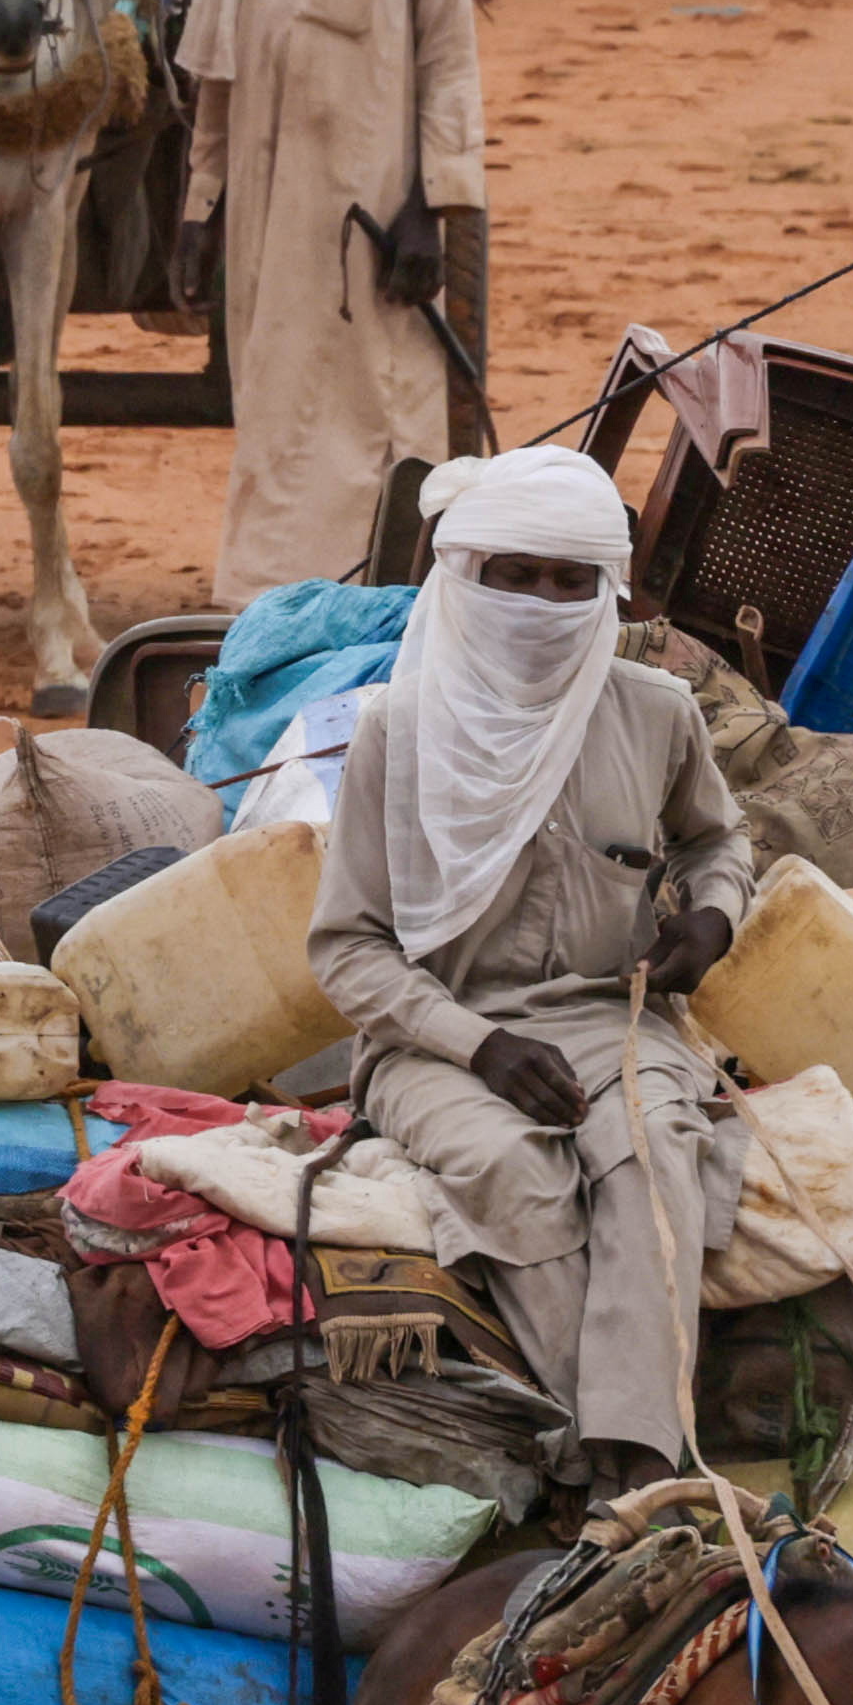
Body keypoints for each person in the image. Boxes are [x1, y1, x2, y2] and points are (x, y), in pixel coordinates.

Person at [309, 447, 756, 1469]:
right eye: (513, 574)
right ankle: (596, 1461)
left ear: (605, 589)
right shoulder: (397, 730)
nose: (540, 601)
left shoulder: (653, 711)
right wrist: (479, 1047)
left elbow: (716, 839)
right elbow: (348, 951)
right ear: (464, 578)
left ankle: (643, 1464)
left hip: (616, 1021)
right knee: (514, 1175)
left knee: (648, 1161)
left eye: (568, 580)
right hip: (435, 1039)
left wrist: (712, 919)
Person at [177, 0, 490, 596]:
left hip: (371, 205)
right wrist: (201, 207)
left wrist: (432, 207)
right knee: (272, 407)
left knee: (369, 414)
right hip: (267, 216)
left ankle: (371, 604)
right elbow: (219, 72)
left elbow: (448, 53)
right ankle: (262, 605)